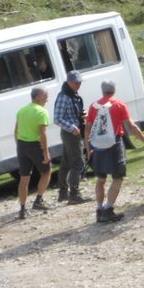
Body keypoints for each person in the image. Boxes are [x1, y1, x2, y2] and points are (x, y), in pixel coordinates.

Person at [84, 80, 144, 223]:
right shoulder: (119, 105)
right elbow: (132, 127)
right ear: (114, 91)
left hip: (97, 145)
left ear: (102, 91)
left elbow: (88, 128)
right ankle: (109, 209)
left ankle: (99, 209)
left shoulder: (93, 106)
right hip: (114, 144)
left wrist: (88, 147)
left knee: (101, 179)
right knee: (117, 177)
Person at [14, 86, 53, 219]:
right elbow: (42, 134)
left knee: (24, 178)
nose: (47, 96)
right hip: (34, 145)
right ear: (37, 97)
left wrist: (19, 145)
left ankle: (22, 209)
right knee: (47, 171)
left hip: (21, 145)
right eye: (45, 95)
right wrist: (46, 153)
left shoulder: (21, 110)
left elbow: (16, 131)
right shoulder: (42, 112)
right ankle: (38, 200)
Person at [53, 69, 90, 204]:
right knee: (78, 163)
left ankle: (63, 193)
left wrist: (81, 115)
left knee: (66, 163)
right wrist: (72, 127)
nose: (78, 84)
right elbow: (57, 118)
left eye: (79, 82)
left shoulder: (73, 95)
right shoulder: (64, 97)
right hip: (71, 134)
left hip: (73, 132)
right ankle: (74, 194)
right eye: (76, 82)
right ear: (68, 82)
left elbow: (70, 114)